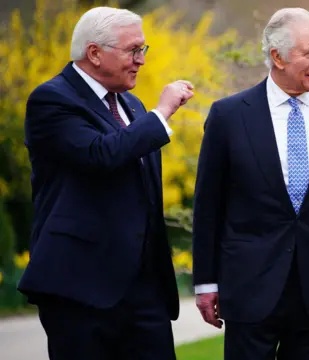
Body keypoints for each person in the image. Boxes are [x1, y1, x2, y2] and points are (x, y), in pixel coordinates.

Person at [191, 7, 309, 360]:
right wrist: (206, 283)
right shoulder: (228, 116)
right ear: (277, 57)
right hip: (249, 290)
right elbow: (208, 208)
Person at [17, 6, 194, 360]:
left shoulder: (133, 105)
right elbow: (101, 155)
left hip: (145, 293)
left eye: (143, 50)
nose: (141, 61)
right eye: (133, 50)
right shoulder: (51, 100)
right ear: (95, 53)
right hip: (80, 288)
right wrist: (161, 114)